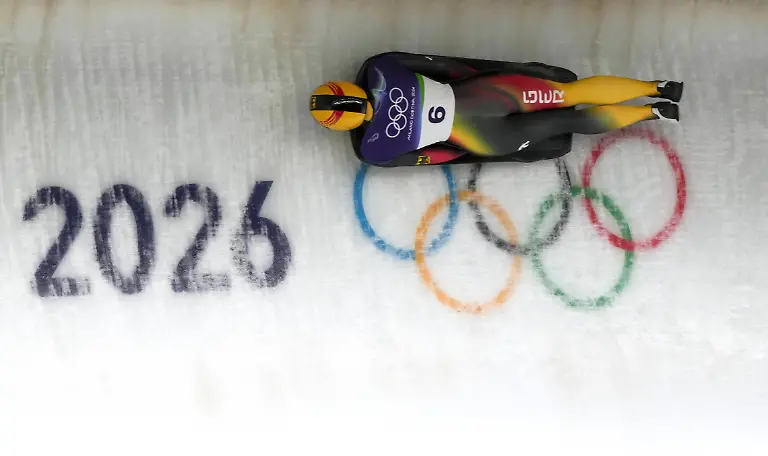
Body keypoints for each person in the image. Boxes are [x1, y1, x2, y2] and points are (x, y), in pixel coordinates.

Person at [310, 52, 683, 166]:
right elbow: (446, 67)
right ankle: (655, 87)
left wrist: (472, 149)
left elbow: (438, 157)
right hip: (490, 94)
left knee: (570, 118)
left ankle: (653, 113)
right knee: (570, 94)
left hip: (486, 138)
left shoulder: (375, 149)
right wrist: (491, 75)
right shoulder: (382, 70)